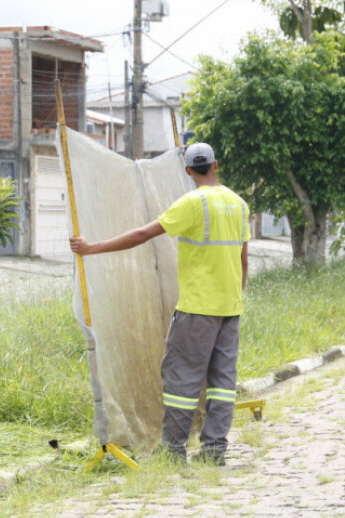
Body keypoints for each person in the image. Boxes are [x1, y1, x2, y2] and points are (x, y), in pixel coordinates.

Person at [70, 143, 249, 465]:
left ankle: (173, 451)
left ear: (187, 170)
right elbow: (243, 259)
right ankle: (213, 451)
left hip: (198, 308)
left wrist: (91, 248)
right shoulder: (238, 204)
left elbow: (142, 234)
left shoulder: (193, 203)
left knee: (181, 378)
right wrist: (235, 298)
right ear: (215, 165)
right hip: (229, 307)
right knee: (223, 382)